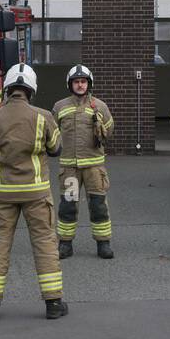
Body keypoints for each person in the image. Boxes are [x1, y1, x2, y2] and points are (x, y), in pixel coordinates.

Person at [0, 63, 66, 321]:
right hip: (36, 193)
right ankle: (53, 304)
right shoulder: (43, 117)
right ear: (31, 89)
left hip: (2, 193)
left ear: (7, 88)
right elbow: (56, 148)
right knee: (44, 246)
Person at [52, 64, 116, 259]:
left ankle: (103, 243)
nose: (80, 85)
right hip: (70, 168)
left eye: (83, 81)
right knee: (68, 206)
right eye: (76, 82)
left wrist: (99, 128)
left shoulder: (100, 106)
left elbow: (109, 131)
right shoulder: (60, 107)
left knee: (98, 205)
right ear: (70, 84)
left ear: (89, 83)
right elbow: (52, 133)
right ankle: (65, 244)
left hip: (94, 167)